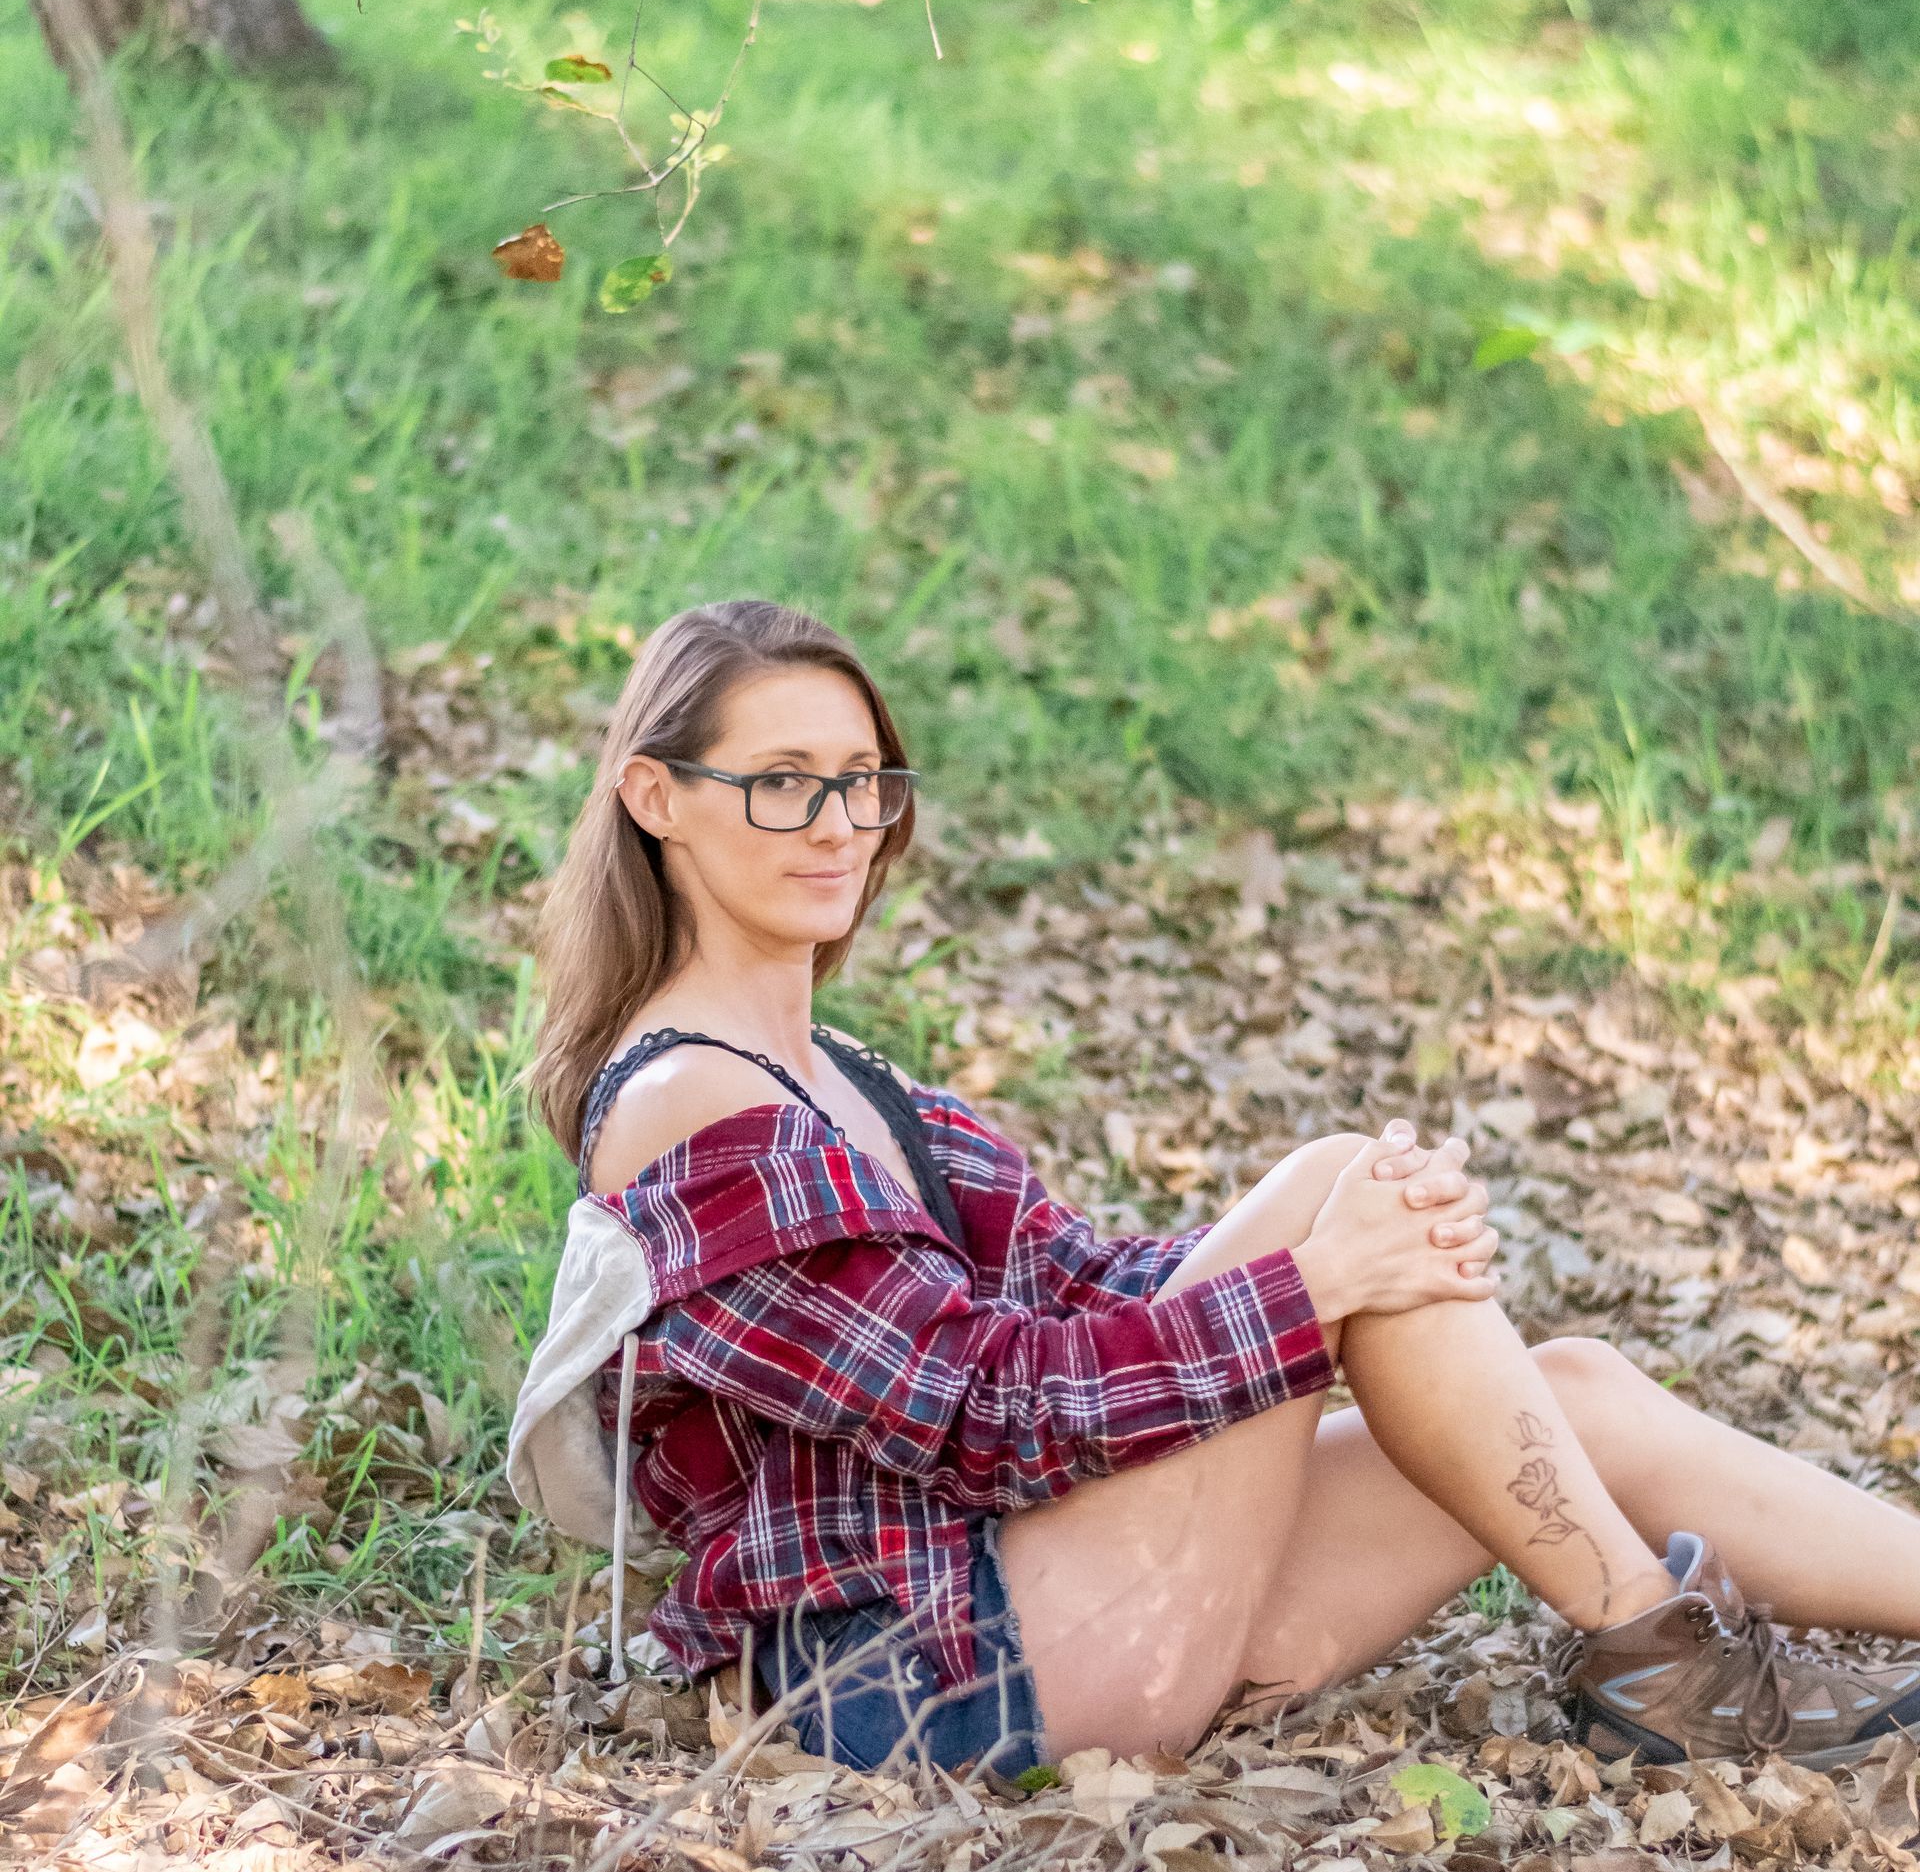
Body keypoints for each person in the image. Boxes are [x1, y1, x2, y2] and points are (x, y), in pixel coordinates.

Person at [526, 596, 1920, 1779]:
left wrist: (1356, 1265)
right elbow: (982, 1408)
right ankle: (1668, 1673)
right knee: (1330, 1190)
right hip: (922, 1679)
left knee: (1577, 1388)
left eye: (865, 779)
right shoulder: (683, 1100)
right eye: (783, 781)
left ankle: (1702, 1650)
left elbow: (1083, 1289)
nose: (840, 824)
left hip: (1065, 1602)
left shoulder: (845, 1076)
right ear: (658, 798)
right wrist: (1318, 1274)